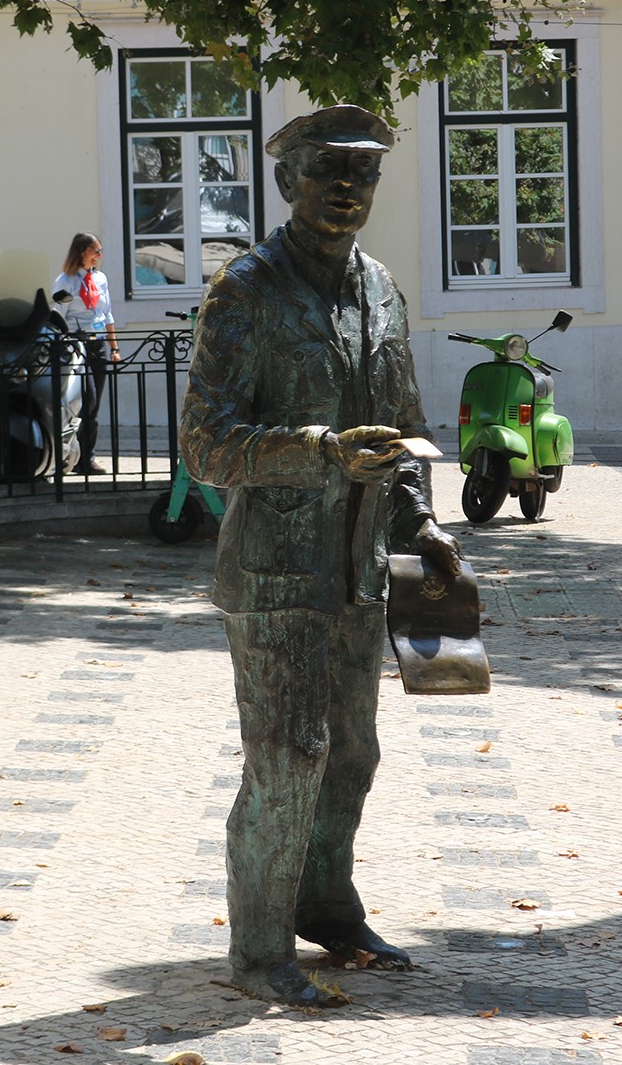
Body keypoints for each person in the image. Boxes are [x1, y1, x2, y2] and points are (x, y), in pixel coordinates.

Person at [180, 105, 464, 1009]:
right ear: (284, 181)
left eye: (364, 173)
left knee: (351, 756)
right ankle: (259, 947)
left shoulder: (381, 289)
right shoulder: (246, 292)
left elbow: (405, 427)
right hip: (275, 572)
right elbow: (205, 444)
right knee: (290, 755)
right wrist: (321, 452)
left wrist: (421, 522)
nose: (347, 188)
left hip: (360, 568)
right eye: (327, 170)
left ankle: (327, 905)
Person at [50, 233, 120, 475]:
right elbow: (57, 316)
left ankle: (86, 459)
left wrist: (114, 348)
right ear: (81, 252)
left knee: (94, 404)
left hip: (97, 344)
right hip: (76, 345)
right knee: (85, 401)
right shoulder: (66, 280)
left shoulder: (100, 279)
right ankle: (68, 455)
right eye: (95, 251)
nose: (99, 255)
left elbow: (107, 315)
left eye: (100, 251)